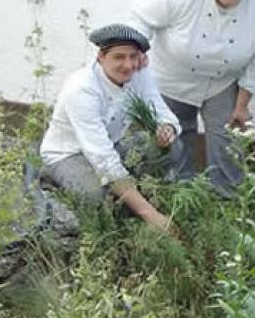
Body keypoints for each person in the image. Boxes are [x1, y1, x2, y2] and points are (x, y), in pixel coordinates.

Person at [129, 0, 255, 197]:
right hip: (171, 78)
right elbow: (141, 19)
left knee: (227, 143)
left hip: (221, 83)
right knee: (173, 139)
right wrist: (136, 51)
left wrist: (242, 105)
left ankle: (228, 202)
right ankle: (181, 197)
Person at [40, 24, 182, 234]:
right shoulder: (82, 89)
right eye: (119, 57)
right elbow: (103, 159)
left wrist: (166, 128)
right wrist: (151, 216)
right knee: (97, 197)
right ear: (101, 57)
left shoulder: (138, 74)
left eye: (133, 56)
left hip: (112, 145)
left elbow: (160, 110)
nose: (128, 65)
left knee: (173, 147)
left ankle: (138, 195)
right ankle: (56, 180)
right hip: (70, 154)